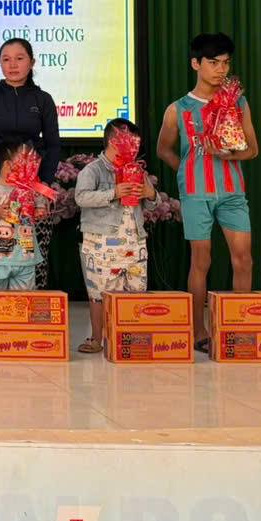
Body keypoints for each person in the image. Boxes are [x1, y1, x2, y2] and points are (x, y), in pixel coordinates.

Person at [155, 32, 259, 352]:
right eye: (213, 62)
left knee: (243, 259)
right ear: (196, 64)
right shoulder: (178, 109)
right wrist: (187, 174)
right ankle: (199, 331)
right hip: (196, 194)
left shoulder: (237, 102)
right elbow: (163, 149)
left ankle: (239, 326)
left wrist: (226, 155)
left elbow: (252, 150)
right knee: (201, 260)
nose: (221, 69)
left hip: (232, 192)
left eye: (226, 63)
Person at [0, 37, 61, 294]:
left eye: (19, 58)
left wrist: (44, 184)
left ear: (32, 62)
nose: (13, 65)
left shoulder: (43, 100)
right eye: (6, 59)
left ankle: (29, 312)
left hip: (32, 184)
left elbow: (53, 145)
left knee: (32, 253)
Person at [75, 118, 157, 353]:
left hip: (135, 241)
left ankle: (129, 337)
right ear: (113, 141)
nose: (135, 147)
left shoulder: (137, 170)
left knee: (136, 292)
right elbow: (81, 197)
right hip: (101, 243)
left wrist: (151, 194)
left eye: (136, 143)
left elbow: (152, 205)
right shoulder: (94, 170)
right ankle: (96, 338)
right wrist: (114, 192)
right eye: (130, 142)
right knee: (98, 293)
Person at [0, 141, 49, 294]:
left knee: (23, 301)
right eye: (25, 163)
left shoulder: (31, 189)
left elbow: (41, 208)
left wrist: (39, 212)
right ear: (8, 164)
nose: (30, 168)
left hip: (26, 258)